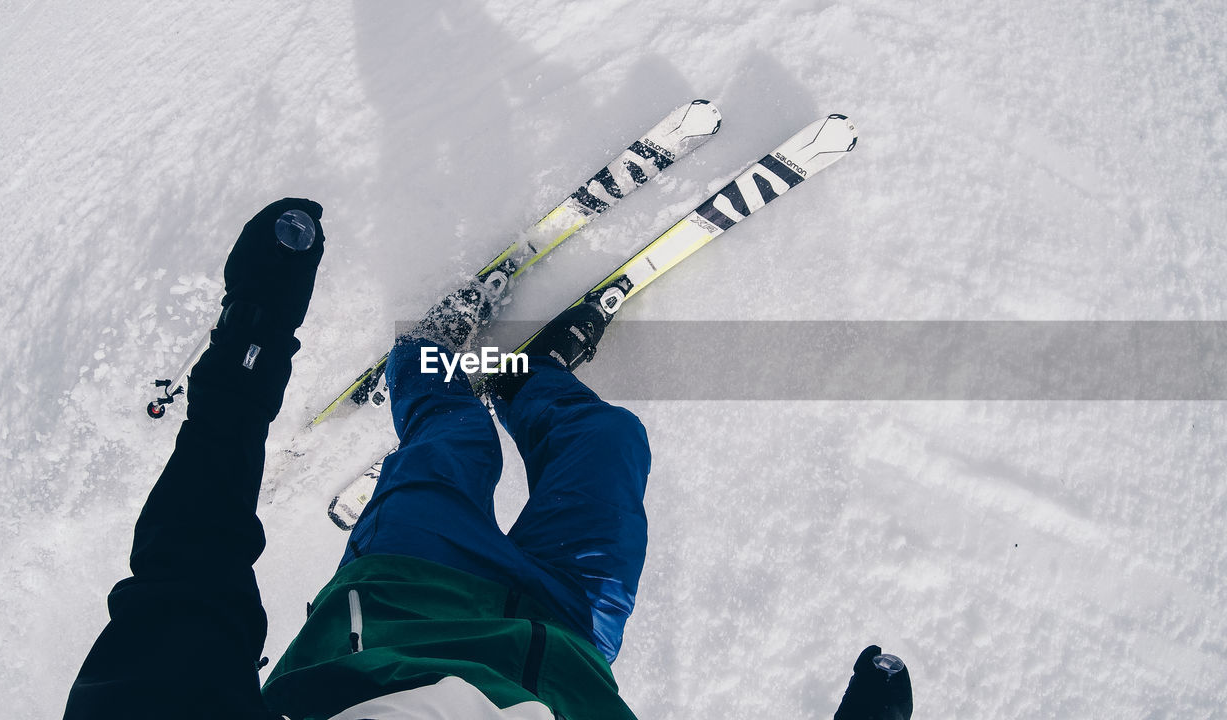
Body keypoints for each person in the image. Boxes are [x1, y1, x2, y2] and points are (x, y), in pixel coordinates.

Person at [63, 198, 912, 719]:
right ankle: (526, 376)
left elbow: (190, 556)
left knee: (454, 436)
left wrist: (254, 333)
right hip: (569, 642)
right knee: (611, 445)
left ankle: (438, 358)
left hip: (408, 588)